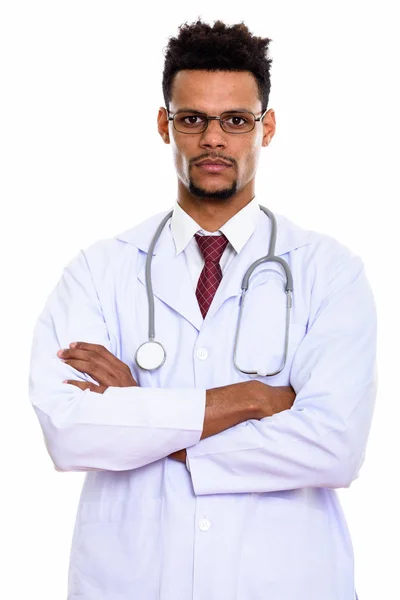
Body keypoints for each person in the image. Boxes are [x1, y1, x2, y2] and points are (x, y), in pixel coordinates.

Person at [28, 19, 376, 600]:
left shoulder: (328, 271)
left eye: (235, 121)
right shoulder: (99, 271)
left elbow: (334, 446)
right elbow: (70, 431)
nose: (213, 139)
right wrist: (249, 401)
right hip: (134, 581)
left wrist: (141, 415)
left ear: (266, 127)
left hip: (285, 582)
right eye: (193, 119)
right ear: (165, 124)